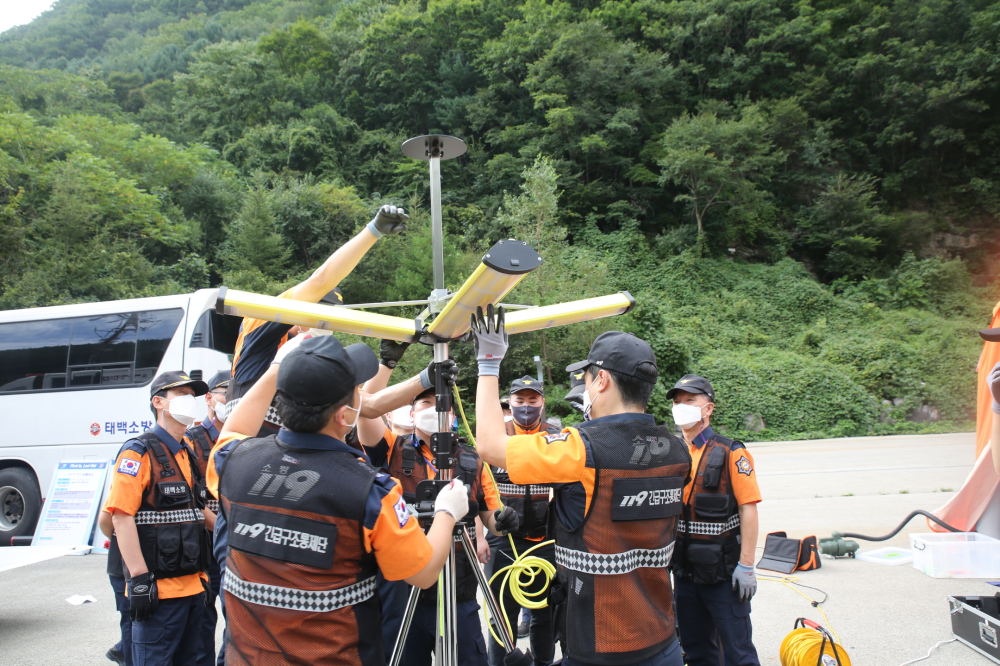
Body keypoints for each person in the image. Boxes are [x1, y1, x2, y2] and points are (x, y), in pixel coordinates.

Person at [212, 334, 470, 665]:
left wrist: (277, 368)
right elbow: (422, 573)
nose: (364, 397)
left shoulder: (233, 462)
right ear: (344, 416)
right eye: (358, 390)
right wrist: (447, 512)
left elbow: (233, 430)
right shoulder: (371, 492)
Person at [472, 306, 691, 666]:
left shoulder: (580, 449)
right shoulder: (677, 449)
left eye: (586, 379)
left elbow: (489, 446)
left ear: (601, 381)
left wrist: (489, 364)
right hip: (661, 639)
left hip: (598, 644)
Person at [356, 340, 517, 666]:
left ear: (453, 415)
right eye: (425, 403)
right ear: (412, 413)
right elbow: (362, 410)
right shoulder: (393, 450)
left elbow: (489, 515)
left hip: (459, 592)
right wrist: (394, 367)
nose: (434, 409)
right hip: (405, 593)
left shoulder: (473, 461)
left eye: (440, 403)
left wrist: (502, 521)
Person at [225, 204, 410, 432]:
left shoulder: (318, 362)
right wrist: (373, 231)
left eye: (329, 319)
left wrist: (421, 377)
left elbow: (370, 406)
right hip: (246, 449)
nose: (322, 325)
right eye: (318, 314)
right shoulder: (259, 323)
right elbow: (321, 281)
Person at [103, 371, 214, 666]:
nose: (190, 401)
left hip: (194, 587)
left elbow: (197, 510)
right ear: (158, 402)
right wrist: (139, 580)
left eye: (193, 395)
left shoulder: (185, 452)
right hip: (159, 592)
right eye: (181, 395)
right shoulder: (138, 451)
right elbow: (120, 518)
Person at [666, 374, 761, 666]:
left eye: (689, 400)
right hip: (684, 575)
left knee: (738, 653)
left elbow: (748, 509)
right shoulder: (669, 452)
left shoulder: (731, 452)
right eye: (677, 402)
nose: (681, 407)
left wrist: (747, 565)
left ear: (708, 409)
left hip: (724, 575)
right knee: (696, 652)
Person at [486, 377, 559, 666]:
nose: (526, 406)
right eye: (519, 400)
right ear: (510, 402)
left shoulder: (557, 439)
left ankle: (542, 662)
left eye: (532, 400)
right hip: (504, 540)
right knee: (501, 616)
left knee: (545, 613)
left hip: (546, 541)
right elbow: (480, 490)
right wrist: (481, 534)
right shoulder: (496, 437)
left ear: (542, 402)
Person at [183, 371, 230, 666]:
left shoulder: (249, 438)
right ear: (210, 398)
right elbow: (190, 500)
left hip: (234, 543)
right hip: (204, 544)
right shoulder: (192, 440)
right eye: (226, 392)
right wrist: (225, 528)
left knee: (237, 617)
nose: (233, 399)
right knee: (202, 620)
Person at [98, 509, 129, 666]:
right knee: (133, 618)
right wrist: (122, 537)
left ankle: (122, 650)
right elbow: (105, 521)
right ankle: (125, 654)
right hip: (123, 567)